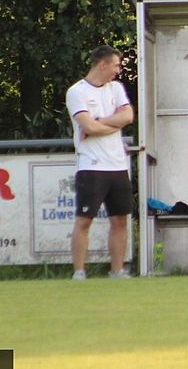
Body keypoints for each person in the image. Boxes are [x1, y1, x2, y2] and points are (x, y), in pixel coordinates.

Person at [66, 45, 134, 280]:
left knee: (120, 220)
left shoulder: (116, 88)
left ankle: (117, 270)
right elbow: (88, 126)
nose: (118, 70)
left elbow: (128, 116)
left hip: (118, 166)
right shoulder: (77, 92)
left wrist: (100, 121)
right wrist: (109, 125)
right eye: (115, 65)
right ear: (102, 64)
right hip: (91, 166)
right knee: (84, 220)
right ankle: (79, 271)